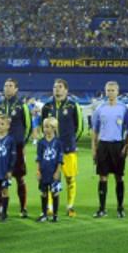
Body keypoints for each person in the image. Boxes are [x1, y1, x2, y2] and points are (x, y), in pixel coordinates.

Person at [39, 78, 82, 218]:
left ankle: (70, 206)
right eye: (55, 87)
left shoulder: (72, 106)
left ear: (66, 90)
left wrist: (71, 142)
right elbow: (42, 126)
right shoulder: (46, 107)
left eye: (60, 87)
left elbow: (79, 127)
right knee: (50, 179)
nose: (57, 89)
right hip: (51, 150)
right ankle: (50, 207)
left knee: (70, 178)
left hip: (68, 149)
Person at [90, 81, 128, 219]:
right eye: (108, 90)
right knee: (103, 177)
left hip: (118, 145)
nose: (111, 93)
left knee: (119, 177)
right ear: (105, 92)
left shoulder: (124, 109)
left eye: (113, 90)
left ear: (118, 92)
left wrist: (127, 146)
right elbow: (94, 131)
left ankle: (120, 208)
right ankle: (102, 208)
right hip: (103, 146)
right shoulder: (100, 109)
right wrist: (94, 148)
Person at [0, 78, 31, 218]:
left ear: (16, 89)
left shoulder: (22, 106)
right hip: (3, 150)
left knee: (19, 178)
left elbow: (29, 126)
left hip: (18, 148)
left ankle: (23, 208)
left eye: (10, 86)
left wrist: (22, 143)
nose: (7, 88)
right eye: (5, 85)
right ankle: (1, 209)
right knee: (1, 179)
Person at [36, 118, 63, 223]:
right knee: (43, 192)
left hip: (54, 172)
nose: (46, 129)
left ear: (54, 128)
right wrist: (38, 171)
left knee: (54, 193)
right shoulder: (41, 142)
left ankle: (55, 215)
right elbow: (38, 158)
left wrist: (57, 171)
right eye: (45, 126)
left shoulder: (58, 143)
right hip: (43, 171)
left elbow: (60, 159)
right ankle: (44, 214)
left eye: (48, 127)